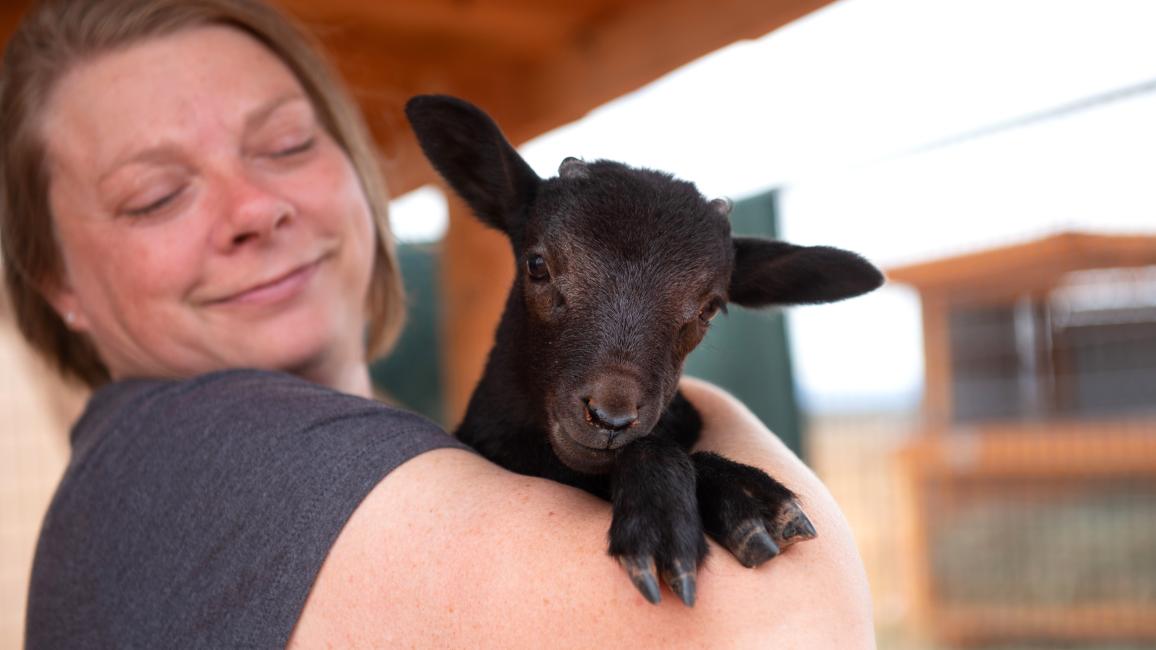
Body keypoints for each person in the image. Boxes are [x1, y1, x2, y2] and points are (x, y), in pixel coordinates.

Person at [1, 0, 875, 647]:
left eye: (287, 144)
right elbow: (793, 625)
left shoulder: (410, 459)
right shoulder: (192, 456)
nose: (254, 209)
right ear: (54, 284)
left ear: (355, 167)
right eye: (154, 196)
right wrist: (696, 431)